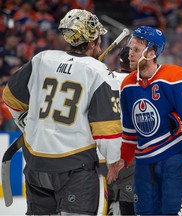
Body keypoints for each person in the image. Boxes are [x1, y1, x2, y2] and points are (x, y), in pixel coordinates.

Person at [2, 9, 122, 215]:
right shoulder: (97, 71)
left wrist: (26, 124)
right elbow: (107, 130)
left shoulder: (42, 59)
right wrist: (113, 163)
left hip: (36, 164)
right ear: (92, 43)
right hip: (74, 167)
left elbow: (10, 98)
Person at [107, 26, 182, 215]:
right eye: (130, 48)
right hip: (144, 162)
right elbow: (130, 131)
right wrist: (123, 159)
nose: (130, 54)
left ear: (152, 52)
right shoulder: (128, 85)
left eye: (136, 50)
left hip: (174, 158)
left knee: (172, 212)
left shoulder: (174, 77)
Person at [97, 46, 135, 216]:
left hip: (101, 153)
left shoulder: (103, 78)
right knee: (129, 204)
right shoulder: (138, 83)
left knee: (107, 203)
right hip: (128, 153)